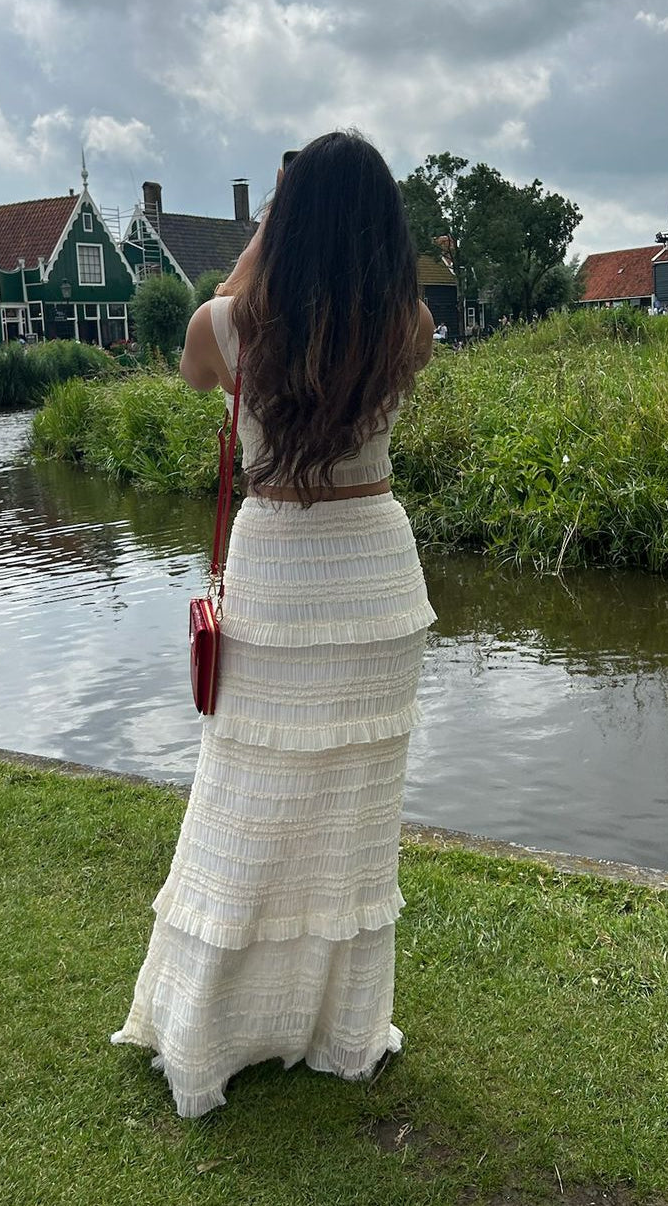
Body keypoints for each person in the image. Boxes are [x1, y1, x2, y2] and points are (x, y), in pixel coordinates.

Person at [111, 131, 437, 1118]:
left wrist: (257, 246)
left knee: (244, 801)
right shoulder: (410, 326)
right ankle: (335, 1028)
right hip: (376, 577)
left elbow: (192, 374)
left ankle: (220, 1023)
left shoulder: (226, 324)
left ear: (281, 224)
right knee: (350, 822)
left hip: (281, 571)